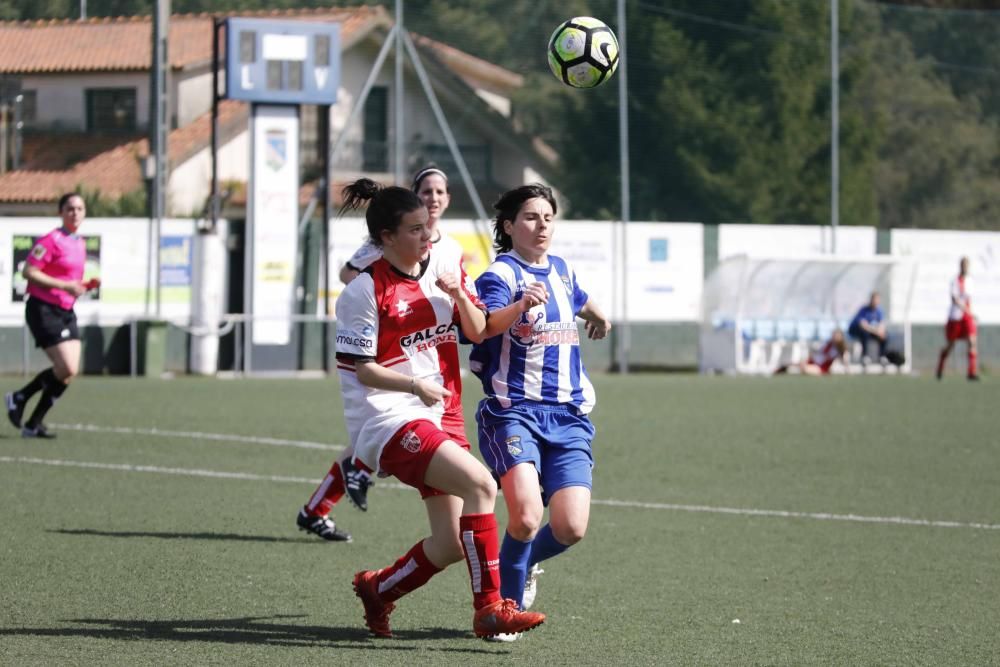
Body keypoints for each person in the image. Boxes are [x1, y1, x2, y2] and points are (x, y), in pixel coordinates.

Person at [334, 178, 546, 639]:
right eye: (413, 229)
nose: (426, 236)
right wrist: (415, 384)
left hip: (441, 413)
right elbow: (364, 371)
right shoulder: (363, 292)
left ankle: (378, 590)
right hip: (388, 417)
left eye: (426, 227)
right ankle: (491, 609)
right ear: (386, 238)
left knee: (449, 544)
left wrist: (459, 294)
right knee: (481, 484)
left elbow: (481, 328)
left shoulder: (444, 263)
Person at [469, 184, 612, 624]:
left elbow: (579, 299)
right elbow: (485, 327)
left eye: (547, 217)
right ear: (509, 226)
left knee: (571, 528)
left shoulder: (563, 270)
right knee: (527, 517)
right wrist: (520, 304)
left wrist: (599, 315)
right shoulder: (501, 275)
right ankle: (504, 611)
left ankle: (525, 560)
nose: (541, 225)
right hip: (514, 413)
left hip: (568, 417)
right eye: (530, 217)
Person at [296, 166, 461, 541]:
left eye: (440, 192)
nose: (434, 198)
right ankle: (331, 495)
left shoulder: (448, 248)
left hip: (435, 362)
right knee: (374, 432)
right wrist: (383, 304)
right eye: (427, 191)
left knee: (370, 441)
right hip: (394, 356)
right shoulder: (388, 242)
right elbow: (348, 275)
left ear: (448, 198)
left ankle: (323, 502)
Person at [6, 193, 99, 438]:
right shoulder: (51, 240)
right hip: (43, 308)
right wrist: (64, 286)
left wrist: (81, 286)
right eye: (70, 208)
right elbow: (28, 271)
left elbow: (69, 280)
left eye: (80, 208)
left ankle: (32, 422)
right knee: (65, 366)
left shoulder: (79, 242)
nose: (75, 213)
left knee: (69, 372)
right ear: (61, 212)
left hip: (66, 310)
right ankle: (19, 397)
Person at [936, 256, 979, 381]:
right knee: (950, 345)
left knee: (972, 341)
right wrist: (967, 310)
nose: (965, 267)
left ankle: (971, 372)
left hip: (967, 317)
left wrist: (970, 313)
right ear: (960, 266)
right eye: (963, 265)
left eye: (967, 265)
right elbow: (954, 299)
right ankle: (940, 367)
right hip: (955, 317)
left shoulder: (970, 280)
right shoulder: (955, 281)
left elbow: (969, 299)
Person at [774, 329, 847, 376]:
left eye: (837, 336)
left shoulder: (840, 349)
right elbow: (818, 353)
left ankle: (789, 370)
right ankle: (782, 368)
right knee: (796, 363)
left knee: (804, 369)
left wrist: (846, 369)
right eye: (834, 336)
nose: (835, 338)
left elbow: (844, 359)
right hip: (813, 361)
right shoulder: (827, 344)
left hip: (821, 367)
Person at [847, 292, 887, 365]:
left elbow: (882, 324)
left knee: (885, 335)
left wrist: (881, 332)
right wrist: (877, 332)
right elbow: (863, 325)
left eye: (877, 300)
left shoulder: (879, 311)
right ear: (871, 300)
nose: (875, 301)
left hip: (872, 331)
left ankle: (882, 356)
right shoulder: (864, 310)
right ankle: (865, 356)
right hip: (855, 330)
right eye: (874, 299)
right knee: (864, 334)